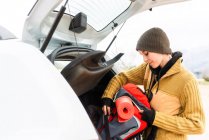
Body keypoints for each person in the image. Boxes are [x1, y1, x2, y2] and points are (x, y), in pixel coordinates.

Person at [101, 27, 205, 140]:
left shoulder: (187, 80)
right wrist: (108, 97)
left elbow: (197, 125)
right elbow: (122, 77)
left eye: (146, 54)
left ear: (160, 49)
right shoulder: (147, 69)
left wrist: (156, 118)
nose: (144, 59)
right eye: (142, 55)